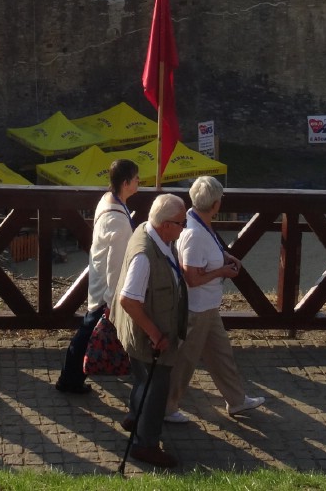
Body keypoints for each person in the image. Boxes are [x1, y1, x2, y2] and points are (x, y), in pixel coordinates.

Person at [165, 176, 264, 422]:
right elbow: (192, 277)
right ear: (216, 204)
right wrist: (221, 271)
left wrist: (225, 256)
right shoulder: (195, 233)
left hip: (207, 307)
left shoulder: (196, 220)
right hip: (196, 309)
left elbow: (207, 254)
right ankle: (167, 407)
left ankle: (236, 400)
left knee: (221, 354)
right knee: (184, 362)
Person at [113, 192, 189, 470]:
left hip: (142, 333)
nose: (184, 228)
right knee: (156, 389)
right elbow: (129, 300)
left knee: (143, 379)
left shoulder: (151, 231)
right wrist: (156, 334)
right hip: (149, 337)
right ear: (166, 225)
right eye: (181, 223)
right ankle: (146, 444)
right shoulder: (145, 255)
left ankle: (135, 417)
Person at [55, 157, 140, 394]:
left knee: (88, 330)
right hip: (106, 287)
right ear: (125, 183)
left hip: (99, 277)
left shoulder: (107, 199)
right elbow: (116, 264)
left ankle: (71, 378)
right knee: (88, 332)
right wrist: (112, 300)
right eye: (136, 179)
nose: (139, 182)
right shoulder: (119, 221)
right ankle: (69, 379)